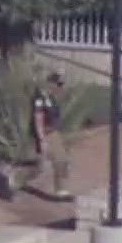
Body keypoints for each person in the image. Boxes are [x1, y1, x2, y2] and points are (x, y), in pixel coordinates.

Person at [33, 70, 71, 199]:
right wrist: (41, 139)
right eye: (58, 84)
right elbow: (38, 117)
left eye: (61, 85)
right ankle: (16, 179)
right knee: (39, 168)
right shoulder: (40, 98)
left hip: (54, 133)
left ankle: (61, 190)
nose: (60, 88)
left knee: (62, 160)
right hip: (46, 134)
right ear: (51, 84)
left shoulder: (52, 98)